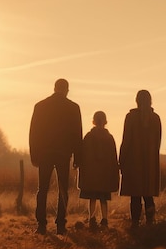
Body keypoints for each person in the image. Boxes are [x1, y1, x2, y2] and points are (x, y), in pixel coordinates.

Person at [29, 78, 82, 235]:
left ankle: (41, 224)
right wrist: (77, 157)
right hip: (63, 154)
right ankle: (60, 224)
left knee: (42, 189)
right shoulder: (73, 108)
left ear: (54, 88)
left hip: (44, 153)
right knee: (63, 189)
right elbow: (77, 134)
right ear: (67, 90)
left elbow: (34, 133)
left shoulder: (40, 106)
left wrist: (34, 154)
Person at [119, 90, 162, 229]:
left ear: (136, 100)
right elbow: (158, 142)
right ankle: (150, 222)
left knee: (135, 196)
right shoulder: (155, 118)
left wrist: (122, 160)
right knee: (148, 195)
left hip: (134, 161)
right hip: (150, 163)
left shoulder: (131, 117)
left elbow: (126, 140)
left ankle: (135, 223)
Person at [77, 111, 119, 230]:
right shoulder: (109, 138)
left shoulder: (88, 137)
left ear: (93, 121)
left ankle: (92, 218)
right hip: (105, 175)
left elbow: (83, 156)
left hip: (92, 175)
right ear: (105, 122)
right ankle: (104, 219)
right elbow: (113, 157)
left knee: (92, 197)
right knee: (104, 198)